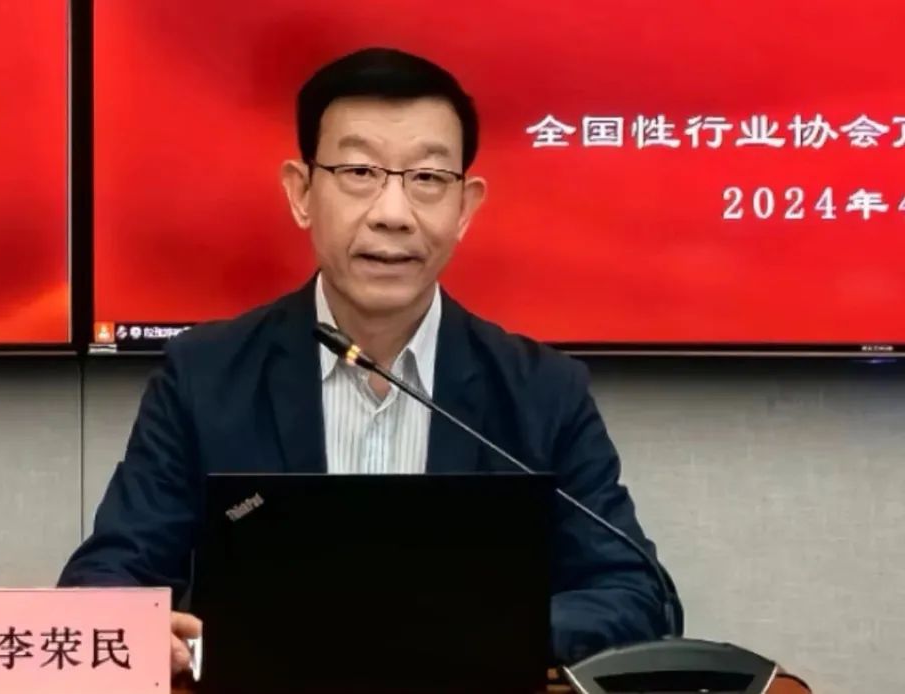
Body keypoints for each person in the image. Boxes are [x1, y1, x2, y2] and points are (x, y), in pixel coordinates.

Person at [59, 46, 680, 675]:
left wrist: (475, 634)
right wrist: (143, 628)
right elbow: (105, 579)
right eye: (359, 171)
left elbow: (633, 592)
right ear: (301, 193)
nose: (392, 215)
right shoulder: (205, 376)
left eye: (427, 179)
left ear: (465, 207)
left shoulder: (541, 391)